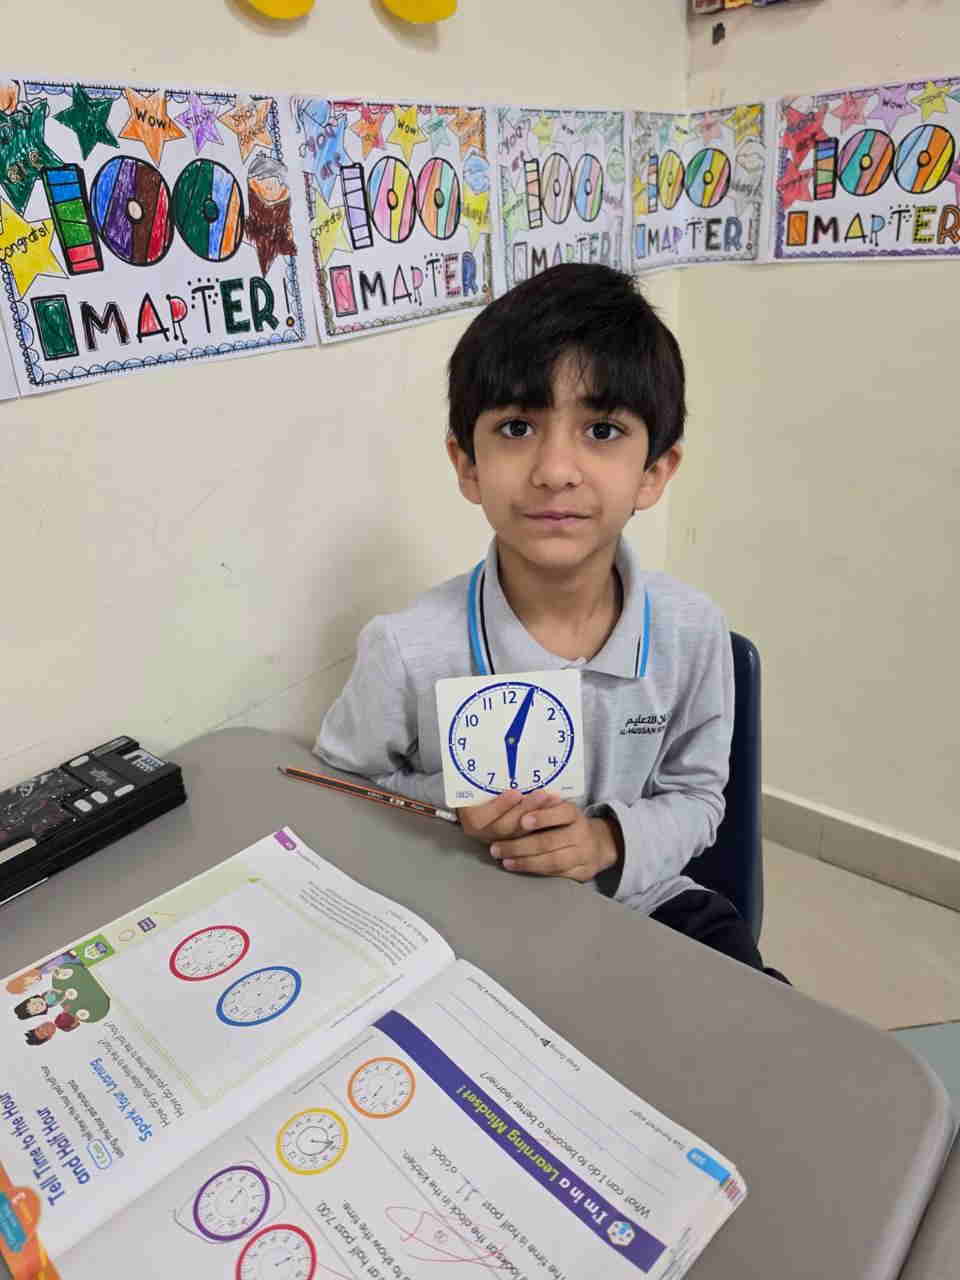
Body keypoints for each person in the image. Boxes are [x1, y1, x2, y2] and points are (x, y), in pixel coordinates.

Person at [315, 263, 785, 979]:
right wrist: (450, 804)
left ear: (654, 472)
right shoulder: (408, 648)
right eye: (516, 427)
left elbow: (697, 799)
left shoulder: (693, 633)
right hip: (467, 919)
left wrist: (606, 842)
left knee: (757, 1022)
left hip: (643, 904)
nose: (555, 469)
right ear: (468, 466)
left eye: (602, 430)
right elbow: (338, 789)